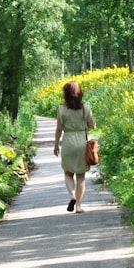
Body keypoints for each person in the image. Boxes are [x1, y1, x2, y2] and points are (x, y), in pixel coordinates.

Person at [53, 80, 96, 213]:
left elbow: (59, 129)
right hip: (82, 143)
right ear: (79, 94)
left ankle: (72, 196)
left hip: (68, 142)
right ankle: (78, 206)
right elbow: (93, 126)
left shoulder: (61, 109)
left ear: (65, 94)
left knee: (68, 173)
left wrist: (56, 145)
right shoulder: (86, 108)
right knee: (81, 176)